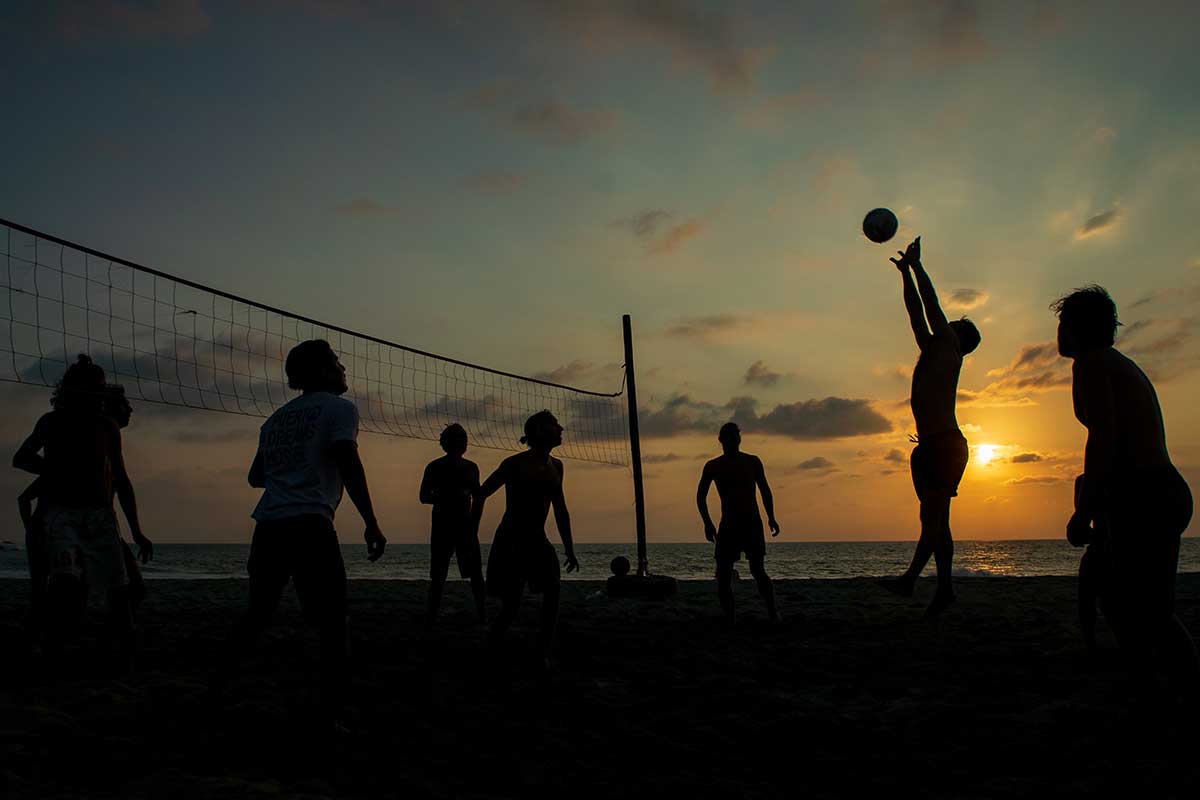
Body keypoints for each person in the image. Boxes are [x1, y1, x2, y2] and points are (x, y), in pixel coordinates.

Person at [215, 339, 386, 727]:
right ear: (323, 370)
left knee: (258, 614)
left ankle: (219, 683)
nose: (344, 369)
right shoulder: (340, 409)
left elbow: (256, 476)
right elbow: (348, 461)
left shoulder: (275, 420)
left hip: (269, 526)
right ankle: (335, 709)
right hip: (309, 522)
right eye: (338, 363)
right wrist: (370, 521)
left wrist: (290, 465)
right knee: (332, 620)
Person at [1054, 286, 1196, 686]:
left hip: (1146, 495)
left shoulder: (1092, 363)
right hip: (1157, 491)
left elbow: (1104, 437)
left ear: (1079, 327)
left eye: (1064, 323)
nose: (1059, 333)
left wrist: (1084, 511)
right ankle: (1161, 681)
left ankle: (1162, 684)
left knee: (1138, 608)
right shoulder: (1115, 363)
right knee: (1139, 605)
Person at [12, 355, 152, 668]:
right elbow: (21, 458)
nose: (99, 395)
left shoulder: (106, 426)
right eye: (93, 389)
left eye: (101, 389)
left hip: (100, 517)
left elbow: (122, 479)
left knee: (121, 591)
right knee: (66, 589)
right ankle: (51, 653)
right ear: (73, 391)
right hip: (61, 516)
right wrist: (56, 470)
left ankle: (123, 657)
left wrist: (137, 530)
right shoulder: (51, 422)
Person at [879, 237, 981, 615]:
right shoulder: (933, 348)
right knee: (939, 523)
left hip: (944, 446)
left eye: (951, 325)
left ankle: (909, 581)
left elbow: (932, 306)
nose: (944, 324)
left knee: (932, 519)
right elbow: (915, 312)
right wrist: (905, 275)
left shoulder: (950, 350)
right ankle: (945, 590)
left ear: (958, 337)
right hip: (928, 446)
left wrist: (919, 267)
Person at [473, 410, 578, 667]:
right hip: (512, 538)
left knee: (553, 589)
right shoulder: (514, 464)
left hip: (538, 539)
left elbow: (561, 509)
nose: (561, 429)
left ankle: (542, 650)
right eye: (555, 425)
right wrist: (471, 531)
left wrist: (569, 549)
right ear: (540, 431)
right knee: (512, 603)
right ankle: (493, 643)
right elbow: (482, 493)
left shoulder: (557, 466)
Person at [696, 422, 780, 624]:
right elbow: (700, 496)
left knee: (758, 570)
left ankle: (773, 613)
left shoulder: (752, 462)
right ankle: (730, 617)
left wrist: (771, 517)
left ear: (739, 439)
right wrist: (707, 523)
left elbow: (765, 491)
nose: (731, 442)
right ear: (721, 440)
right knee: (723, 574)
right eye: (728, 438)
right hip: (728, 525)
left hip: (751, 522)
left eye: (735, 437)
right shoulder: (713, 466)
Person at [420, 423, 485, 626]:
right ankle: (431, 617)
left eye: (464, 438)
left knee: (475, 574)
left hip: (466, 527)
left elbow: (478, 497)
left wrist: (474, 522)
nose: (463, 441)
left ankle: (483, 614)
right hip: (442, 526)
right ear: (446, 443)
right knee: (439, 575)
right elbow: (423, 496)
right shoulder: (435, 467)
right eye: (458, 438)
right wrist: (447, 496)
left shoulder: (472, 467)